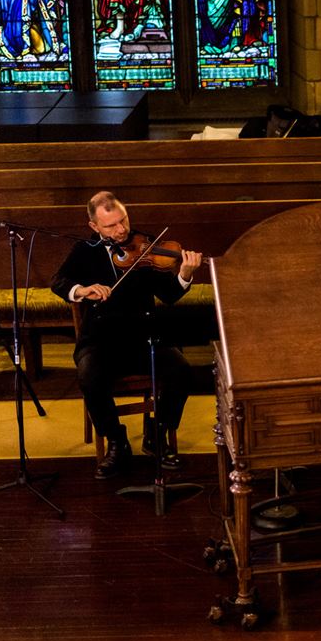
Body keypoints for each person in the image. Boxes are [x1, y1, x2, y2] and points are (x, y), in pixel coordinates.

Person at [51, 192, 203, 479]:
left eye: (124, 220)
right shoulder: (84, 250)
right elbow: (58, 282)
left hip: (143, 337)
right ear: (94, 226)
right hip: (99, 341)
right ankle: (117, 442)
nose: (121, 230)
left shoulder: (145, 245)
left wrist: (184, 274)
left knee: (182, 371)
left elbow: (169, 294)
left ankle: (156, 435)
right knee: (89, 376)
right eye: (111, 226)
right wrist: (82, 290)